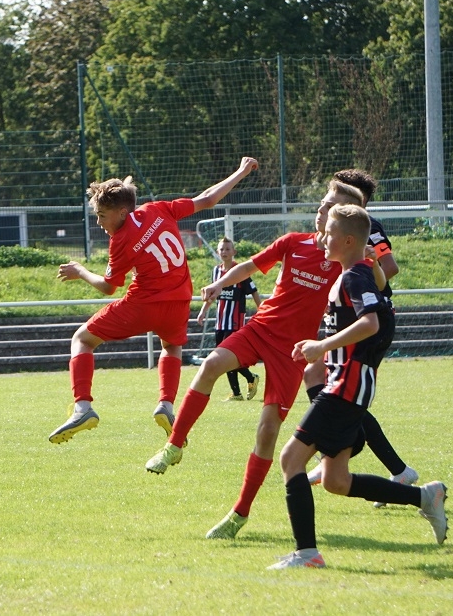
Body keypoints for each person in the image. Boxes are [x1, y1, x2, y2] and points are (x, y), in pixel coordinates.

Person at [145, 179, 366, 541]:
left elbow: (367, 293)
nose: (320, 211)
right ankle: (175, 445)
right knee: (210, 365)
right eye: (321, 205)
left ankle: (239, 514)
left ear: (343, 221)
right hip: (261, 329)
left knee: (267, 434)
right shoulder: (293, 242)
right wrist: (219, 285)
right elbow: (248, 267)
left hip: (292, 353)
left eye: (329, 207)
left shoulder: (346, 264)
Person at [269, 204, 448, 570]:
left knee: (290, 459)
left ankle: (307, 554)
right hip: (348, 383)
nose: (322, 237)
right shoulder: (359, 270)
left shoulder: (353, 276)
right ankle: (424, 497)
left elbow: (370, 324)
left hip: (347, 385)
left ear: (348, 240)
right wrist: (320, 346)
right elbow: (379, 293)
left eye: (329, 232)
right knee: (336, 480)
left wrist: (321, 347)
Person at [48, 156, 258, 444]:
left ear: (122, 212)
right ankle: (166, 405)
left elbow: (109, 287)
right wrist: (241, 171)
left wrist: (80, 271)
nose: (99, 223)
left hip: (144, 304)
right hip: (180, 302)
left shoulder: (120, 240)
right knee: (171, 347)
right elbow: (208, 199)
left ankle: (82, 407)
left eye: (102, 216)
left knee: (82, 340)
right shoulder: (159, 209)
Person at [305, 169, 419, 508]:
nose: (327, 205)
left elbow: (390, 267)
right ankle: (337, 449)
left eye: (333, 200)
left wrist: (367, 271)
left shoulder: (369, 229)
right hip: (352, 314)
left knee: (346, 391)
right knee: (317, 377)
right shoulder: (333, 228)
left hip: (372, 317)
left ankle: (338, 450)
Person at [195, 237, 263, 401]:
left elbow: (253, 291)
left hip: (235, 322)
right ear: (218, 252)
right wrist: (203, 311)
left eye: (227, 249)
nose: (224, 252)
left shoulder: (240, 271)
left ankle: (250, 378)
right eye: (221, 249)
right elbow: (212, 295)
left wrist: (261, 310)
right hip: (220, 321)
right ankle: (238, 392)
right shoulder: (216, 272)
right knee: (222, 357)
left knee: (225, 356)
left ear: (234, 252)